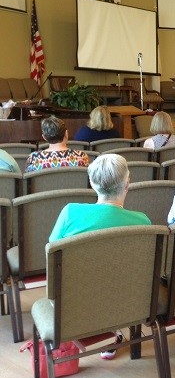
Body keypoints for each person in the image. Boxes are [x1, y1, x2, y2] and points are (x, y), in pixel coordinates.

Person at [49, 153, 151, 360]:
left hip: (75, 302)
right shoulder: (143, 222)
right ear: (127, 184)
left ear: (93, 184)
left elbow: (51, 254)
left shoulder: (70, 213)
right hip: (129, 300)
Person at [25, 115, 89, 172]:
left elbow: (28, 181)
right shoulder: (82, 156)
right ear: (66, 134)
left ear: (44, 137)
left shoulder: (34, 158)